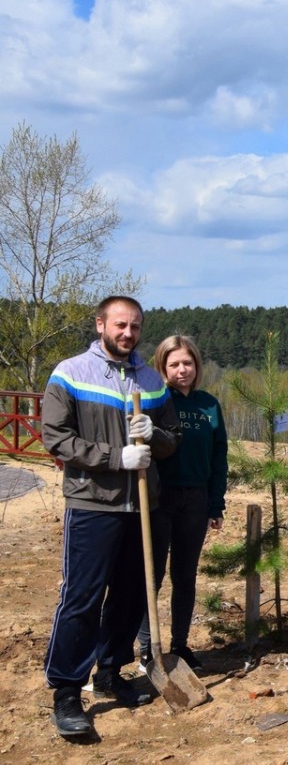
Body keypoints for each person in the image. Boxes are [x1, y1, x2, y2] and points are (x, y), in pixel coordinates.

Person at [42, 295, 180, 738]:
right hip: (92, 504)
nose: (128, 334)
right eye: (120, 325)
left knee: (130, 596)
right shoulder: (71, 373)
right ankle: (66, 691)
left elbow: (171, 439)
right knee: (81, 598)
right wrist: (115, 456)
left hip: (143, 507)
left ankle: (109, 670)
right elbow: (57, 437)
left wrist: (154, 434)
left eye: (135, 327)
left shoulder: (152, 380)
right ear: (101, 324)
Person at [136, 335, 228, 673]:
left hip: (196, 498)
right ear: (162, 367)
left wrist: (215, 503)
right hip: (160, 498)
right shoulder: (157, 401)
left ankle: (180, 645)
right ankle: (148, 649)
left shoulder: (208, 405)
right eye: (173, 364)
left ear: (196, 366)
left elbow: (220, 455)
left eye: (187, 363)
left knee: (185, 575)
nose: (181, 370)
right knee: (153, 574)